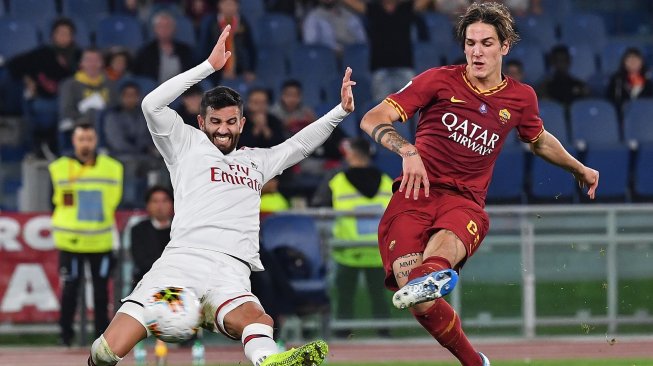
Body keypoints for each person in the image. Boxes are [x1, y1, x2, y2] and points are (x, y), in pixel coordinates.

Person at [87, 24, 355, 366]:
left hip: (230, 271)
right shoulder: (184, 144)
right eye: (215, 121)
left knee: (260, 322)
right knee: (106, 351)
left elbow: (299, 144)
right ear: (201, 122)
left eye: (231, 122)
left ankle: (269, 363)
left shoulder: (257, 161)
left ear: (242, 123)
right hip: (180, 267)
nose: (223, 129)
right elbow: (151, 104)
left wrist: (341, 112)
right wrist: (208, 68)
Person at [358, 3, 599, 365]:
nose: (476, 51)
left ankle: (434, 271)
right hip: (413, 197)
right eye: (470, 43)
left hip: (464, 202)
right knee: (418, 297)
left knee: (432, 266)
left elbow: (538, 140)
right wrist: (407, 150)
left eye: (487, 43)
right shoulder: (438, 80)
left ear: (504, 47)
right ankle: (474, 358)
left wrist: (578, 168)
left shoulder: (520, 98)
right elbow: (373, 117)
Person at [49, 122, 123, 347]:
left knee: (101, 294)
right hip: (70, 242)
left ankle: (102, 337)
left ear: (96, 140)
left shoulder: (113, 168)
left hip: (100, 241)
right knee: (69, 292)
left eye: (89, 139)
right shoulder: (59, 168)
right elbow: (51, 202)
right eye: (81, 139)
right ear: (74, 141)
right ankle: (65, 336)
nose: (85, 144)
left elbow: (114, 201)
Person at [311, 138, 393, 338]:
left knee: (344, 297)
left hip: (346, 250)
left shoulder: (337, 181)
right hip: (376, 251)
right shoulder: (387, 182)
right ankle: (385, 335)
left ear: (351, 155)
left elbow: (318, 209)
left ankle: (342, 335)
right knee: (379, 297)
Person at [129, 185, 174, 365]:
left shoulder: (181, 228)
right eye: (155, 201)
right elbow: (141, 261)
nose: (160, 206)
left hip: (179, 285)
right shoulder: (138, 230)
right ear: (147, 206)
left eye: (164, 201)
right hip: (147, 284)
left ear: (172, 204)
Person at [59, 48, 118, 153]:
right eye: (88, 60)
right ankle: (99, 148)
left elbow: (116, 107)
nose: (92, 64)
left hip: (108, 124)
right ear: (81, 63)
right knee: (93, 112)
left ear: (102, 63)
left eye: (96, 60)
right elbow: (66, 110)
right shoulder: (70, 84)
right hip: (80, 123)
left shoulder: (110, 84)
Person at [200, 0, 257, 84]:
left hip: (241, 74)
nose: (230, 8)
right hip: (216, 75)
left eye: (233, 4)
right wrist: (216, 74)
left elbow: (250, 49)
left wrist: (250, 70)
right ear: (219, 5)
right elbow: (205, 50)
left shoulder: (243, 23)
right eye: (227, 4)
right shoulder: (211, 24)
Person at [133, 11, 195, 84]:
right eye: (161, 27)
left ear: (174, 29)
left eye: (168, 26)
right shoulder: (145, 52)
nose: (164, 30)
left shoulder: (185, 51)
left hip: (182, 91)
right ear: (155, 30)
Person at [302, 0, 367, 57]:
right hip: (328, 60)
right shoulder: (313, 18)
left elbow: (362, 41)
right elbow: (310, 45)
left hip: (352, 57)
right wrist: (333, 51)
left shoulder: (350, 16)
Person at [606, 47, 653, 119]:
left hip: (643, 118)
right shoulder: (616, 80)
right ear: (624, 62)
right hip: (621, 117)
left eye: (636, 59)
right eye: (629, 59)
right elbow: (610, 101)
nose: (633, 62)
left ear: (642, 62)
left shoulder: (648, 82)